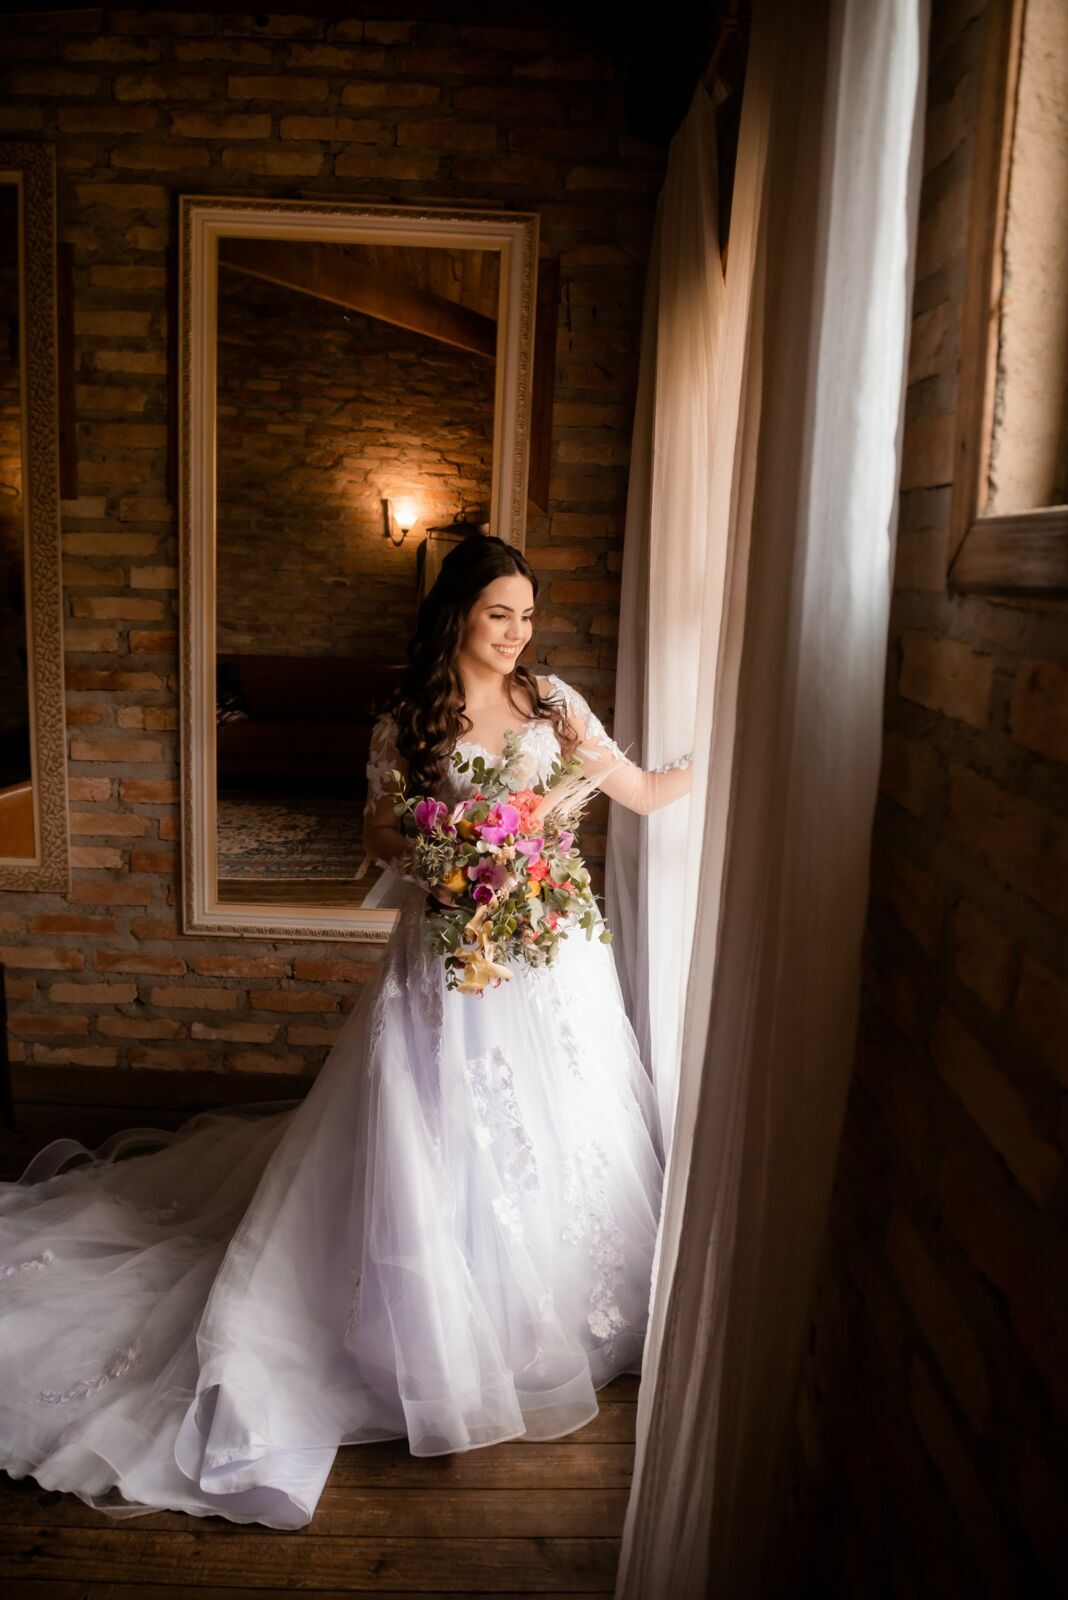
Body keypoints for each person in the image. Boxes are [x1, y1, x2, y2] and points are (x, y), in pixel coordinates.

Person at [0, 533, 692, 1529]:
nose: (517, 634)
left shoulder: (554, 704)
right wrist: (448, 846)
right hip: (446, 956)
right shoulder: (411, 718)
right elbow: (376, 830)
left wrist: (719, 757)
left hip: (549, 959)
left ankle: (544, 1310)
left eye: (528, 616)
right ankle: (424, 1330)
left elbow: (638, 789)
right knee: (436, 1136)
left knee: (557, 1125)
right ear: (458, 615)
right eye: (501, 614)